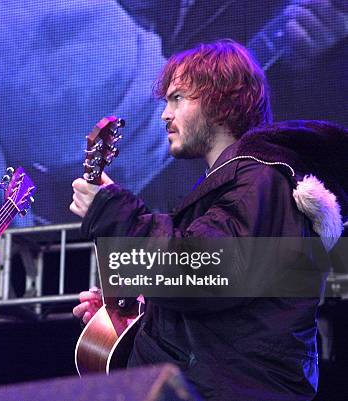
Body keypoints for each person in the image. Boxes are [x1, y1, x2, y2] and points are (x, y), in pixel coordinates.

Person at [71, 40, 346, 400]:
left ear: (220, 101)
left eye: (178, 98)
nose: (165, 115)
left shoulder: (258, 181)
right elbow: (215, 324)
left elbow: (201, 272)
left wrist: (111, 210)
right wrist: (134, 321)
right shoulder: (238, 183)